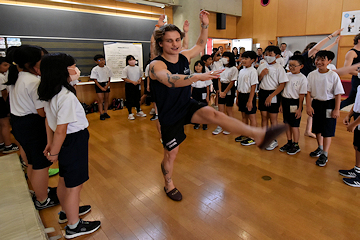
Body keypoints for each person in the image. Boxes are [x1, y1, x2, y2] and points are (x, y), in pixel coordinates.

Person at [149, 10, 286, 201]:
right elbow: (170, 80)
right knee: (171, 154)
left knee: (217, 116)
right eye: (169, 41)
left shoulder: (184, 56)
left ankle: (257, 135)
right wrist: (197, 76)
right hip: (169, 114)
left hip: (186, 105)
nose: (175, 44)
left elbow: (200, 44)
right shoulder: (156, 65)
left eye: (177, 40)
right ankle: (168, 182)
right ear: (161, 43)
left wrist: (205, 24)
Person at [38, 53, 100, 239]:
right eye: (73, 66)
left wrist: (50, 144)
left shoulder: (51, 92)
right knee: (75, 185)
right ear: (62, 71)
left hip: (66, 141)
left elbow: (50, 123)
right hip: (73, 140)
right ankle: (74, 225)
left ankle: (67, 212)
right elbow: (61, 130)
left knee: (65, 179)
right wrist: (54, 151)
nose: (76, 70)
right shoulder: (65, 96)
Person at [6, 45, 59, 209]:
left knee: (31, 161)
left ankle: (39, 191)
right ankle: (43, 200)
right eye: (40, 59)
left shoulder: (16, 76)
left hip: (19, 122)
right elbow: (42, 112)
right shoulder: (33, 81)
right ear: (31, 63)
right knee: (41, 165)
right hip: (32, 125)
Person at [301, 29, 342, 138]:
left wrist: (334, 43)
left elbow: (323, 51)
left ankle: (308, 130)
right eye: (315, 51)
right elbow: (317, 48)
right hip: (303, 85)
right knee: (306, 108)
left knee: (312, 110)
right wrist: (332, 36)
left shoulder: (316, 60)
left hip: (311, 85)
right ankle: (306, 130)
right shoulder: (305, 57)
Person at [306, 50, 345, 167]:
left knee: (327, 130)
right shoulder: (312, 75)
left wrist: (337, 109)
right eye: (317, 59)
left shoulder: (333, 75)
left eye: (323, 59)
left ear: (329, 61)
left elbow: (338, 94)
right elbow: (308, 92)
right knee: (317, 128)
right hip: (317, 104)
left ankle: (325, 154)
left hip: (329, 104)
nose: (319, 62)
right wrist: (308, 106)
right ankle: (320, 147)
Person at [257, 45, 289, 150]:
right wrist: (261, 75)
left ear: (277, 55)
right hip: (262, 92)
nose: (268, 56)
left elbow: (282, 85)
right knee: (264, 116)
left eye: (270, 54)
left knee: (273, 118)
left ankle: (273, 140)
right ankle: (264, 137)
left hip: (273, 93)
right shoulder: (262, 66)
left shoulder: (279, 68)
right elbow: (258, 80)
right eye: (266, 54)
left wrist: (271, 96)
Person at [279, 55, 307, 155]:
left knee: (294, 125)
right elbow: (282, 91)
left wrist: (300, 108)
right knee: (287, 124)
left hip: (295, 103)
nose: (291, 67)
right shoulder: (286, 76)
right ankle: (289, 142)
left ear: (301, 66)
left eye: (294, 66)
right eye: (290, 65)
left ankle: (296, 144)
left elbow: (302, 95)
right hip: (285, 101)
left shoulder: (303, 78)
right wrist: (281, 105)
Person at [339, 65, 360, 186]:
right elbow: (356, 103)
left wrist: (354, 124)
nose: (357, 72)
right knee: (357, 145)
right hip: (357, 117)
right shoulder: (359, 86)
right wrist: (349, 115)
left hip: (358, 121)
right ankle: (357, 169)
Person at [235, 51, 258, 146]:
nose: (243, 60)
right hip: (241, 95)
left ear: (252, 60)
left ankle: (253, 137)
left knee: (251, 117)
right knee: (244, 116)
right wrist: (237, 97)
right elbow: (239, 85)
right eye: (242, 58)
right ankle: (244, 134)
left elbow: (253, 86)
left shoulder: (253, 71)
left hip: (249, 96)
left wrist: (250, 100)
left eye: (246, 59)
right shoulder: (241, 70)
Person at [212, 52, 238, 135]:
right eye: (223, 56)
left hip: (229, 88)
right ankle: (220, 126)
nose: (224, 58)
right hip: (222, 87)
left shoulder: (234, 68)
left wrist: (225, 92)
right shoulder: (221, 67)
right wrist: (220, 91)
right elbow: (219, 79)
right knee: (220, 109)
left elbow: (232, 82)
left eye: (226, 57)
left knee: (229, 109)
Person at [0, 57, 18, 153]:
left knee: (2, 125)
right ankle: (8, 145)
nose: (7, 67)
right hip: (2, 102)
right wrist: (8, 105)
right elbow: (4, 93)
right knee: (5, 124)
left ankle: (2, 143)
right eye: (5, 65)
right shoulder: (1, 77)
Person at [122, 55, 146, 120]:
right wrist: (132, 82)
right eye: (130, 60)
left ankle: (138, 111)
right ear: (127, 61)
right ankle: (130, 113)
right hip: (129, 85)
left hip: (137, 85)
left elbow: (141, 75)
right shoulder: (126, 68)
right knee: (129, 99)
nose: (132, 61)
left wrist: (140, 80)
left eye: (133, 59)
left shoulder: (138, 68)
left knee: (137, 98)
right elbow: (124, 77)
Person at [90, 54, 113, 121]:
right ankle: (101, 113)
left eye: (103, 60)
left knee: (106, 99)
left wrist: (107, 85)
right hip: (99, 84)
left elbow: (109, 78)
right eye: (100, 60)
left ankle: (105, 112)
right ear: (96, 62)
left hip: (106, 84)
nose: (102, 61)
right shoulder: (95, 69)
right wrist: (101, 87)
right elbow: (95, 80)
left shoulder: (108, 68)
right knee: (100, 100)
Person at [340, 33, 360, 109]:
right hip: (357, 80)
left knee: (351, 99)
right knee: (351, 99)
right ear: (359, 40)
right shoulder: (352, 53)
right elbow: (346, 69)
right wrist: (358, 74)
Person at [191, 60, 211, 130]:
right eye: (196, 65)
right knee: (196, 108)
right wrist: (190, 95)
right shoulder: (193, 75)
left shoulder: (205, 75)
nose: (197, 67)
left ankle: (205, 124)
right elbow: (191, 87)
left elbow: (208, 87)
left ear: (203, 67)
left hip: (203, 91)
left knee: (204, 108)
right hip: (195, 92)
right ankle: (197, 123)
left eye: (200, 66)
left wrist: (208, 96)